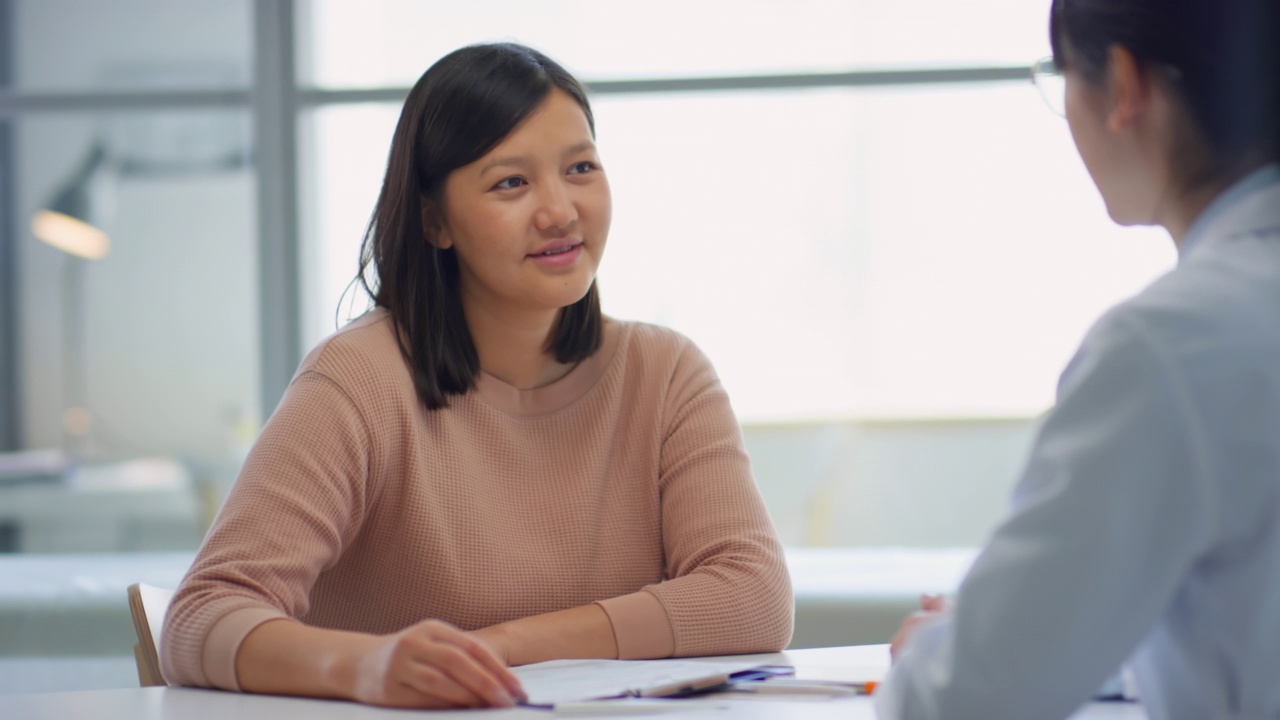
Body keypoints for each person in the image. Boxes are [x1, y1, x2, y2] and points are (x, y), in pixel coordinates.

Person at [160, 42, 793, 710]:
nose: (560, 211)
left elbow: (752, 596)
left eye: (580, 168)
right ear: (436, 220)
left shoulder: (666, 374)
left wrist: (500, 648)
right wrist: (367, 667)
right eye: (510, 183)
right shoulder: (359, 380)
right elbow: (203, 613)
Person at [878, 1, 1280, 719]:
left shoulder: (1170, 346)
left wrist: (937, 654)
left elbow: (968, 699)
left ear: (1124, 84)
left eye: (1060, 75)